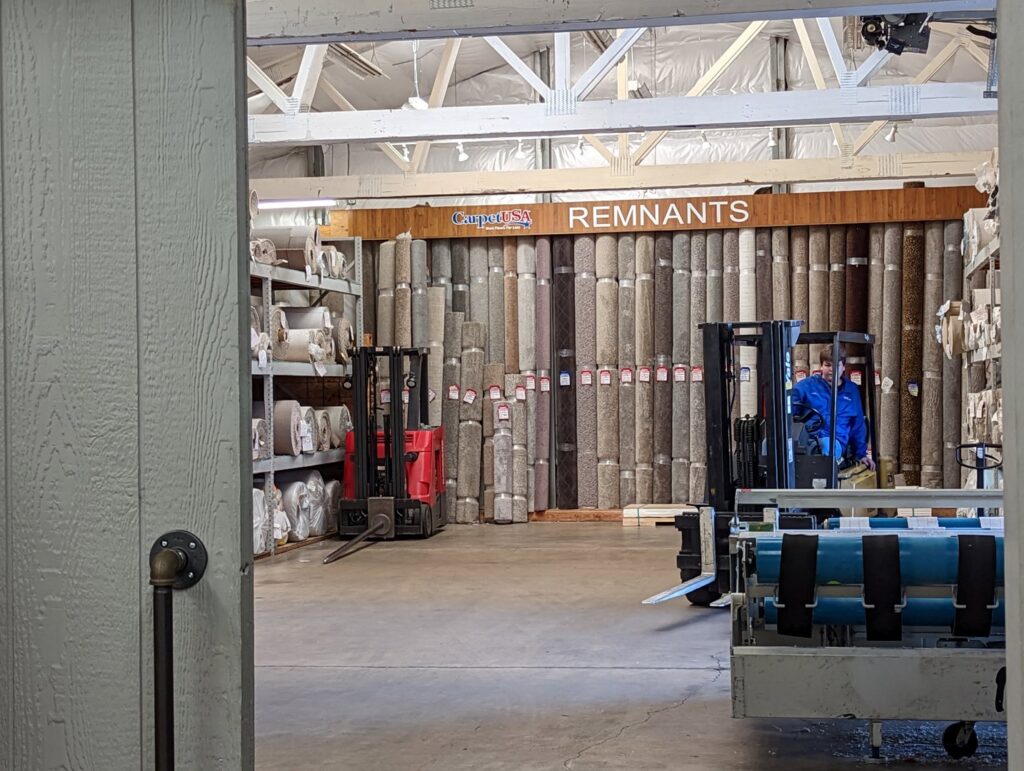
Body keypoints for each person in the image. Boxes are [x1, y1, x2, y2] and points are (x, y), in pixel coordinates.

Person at [791, 347, 875, 470]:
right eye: (828, 365)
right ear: (821, 366)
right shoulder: (805, 387)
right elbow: (788, 411)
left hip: (836, 442)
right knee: (770, 443)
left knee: (826, 446)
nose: (832, 369)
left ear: (843, 367)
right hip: (807, 439)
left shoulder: (851, 391)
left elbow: (858, 425)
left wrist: (861, 454)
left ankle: (821, 483)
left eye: (837, 365)